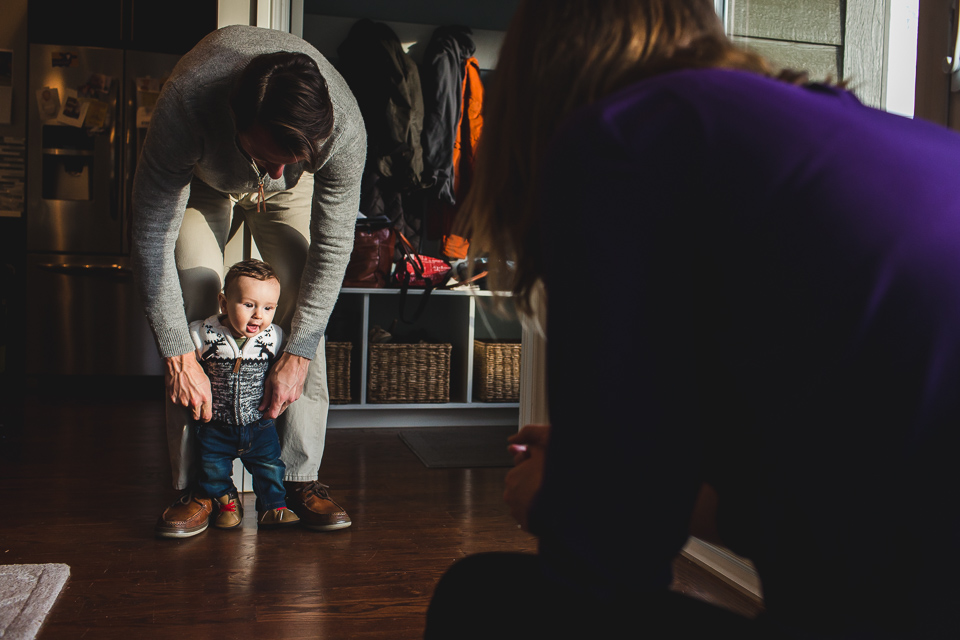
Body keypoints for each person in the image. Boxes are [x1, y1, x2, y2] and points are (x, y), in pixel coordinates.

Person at [424, 1, 960, 638]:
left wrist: (565, 497)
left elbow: (607, 568)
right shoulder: (830, 138)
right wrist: (596, 473)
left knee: (481, 602)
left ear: (539, 68)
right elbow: (834, 504)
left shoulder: (618, 136)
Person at [132, 25, 364, 538]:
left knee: (306, 296)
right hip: (204, 181)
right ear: (236, 121)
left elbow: (334, 246)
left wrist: (298, 352)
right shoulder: (187, 104)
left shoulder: (342, 129)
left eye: (291, 159)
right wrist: (177, 353)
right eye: (267, 156)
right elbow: (150, 232)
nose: (277, 170)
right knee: (195, 289)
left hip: (286, 199)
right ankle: (197, 486)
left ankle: (301, 476)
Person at [188, 259, 300, 532]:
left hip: (258, 423)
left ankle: (273, 507)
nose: (258, 315)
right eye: (248, 305)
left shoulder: (274, 337)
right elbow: (189, 366)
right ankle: (227, 503)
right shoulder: (202, 333)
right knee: (212, 469)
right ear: (224, 304)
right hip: (216, 424)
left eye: (268, 308)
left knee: (270, 467)